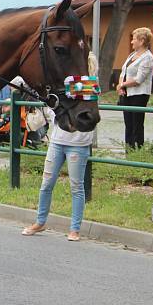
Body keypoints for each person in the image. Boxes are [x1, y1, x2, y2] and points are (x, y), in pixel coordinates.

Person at [22, 53, 99, 241]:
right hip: (58, 140)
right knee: (46, 183)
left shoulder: (90, 86)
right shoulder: (64, 85)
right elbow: (53, 107)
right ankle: (40, 221)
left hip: (78, 143)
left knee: (76, 187)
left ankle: (74, 228)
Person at [117, 27, 153, 149]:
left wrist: (123, 84)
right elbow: (123, 72)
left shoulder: (148, 57)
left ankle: (137, 152)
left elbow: (139, 79)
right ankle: (128, 151)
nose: (132, 41)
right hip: (126, 94)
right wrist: (120, 85)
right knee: (128, 124)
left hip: (139, 95)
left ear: (142, 41)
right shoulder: (132, 55)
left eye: (133, 39)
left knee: (137, 125)